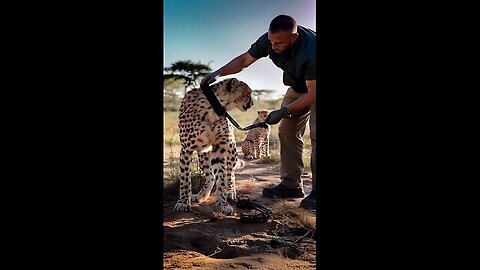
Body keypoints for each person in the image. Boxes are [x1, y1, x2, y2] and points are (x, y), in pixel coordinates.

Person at [201, 15, 316, 209]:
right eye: (271, 41)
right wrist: (217, 73)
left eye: (278, 43)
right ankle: (290, 185)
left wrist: (284, 110)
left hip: (315, 87)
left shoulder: (312, 50)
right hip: (298, 85)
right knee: (286, 131)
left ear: (294, 38)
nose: (273, 47)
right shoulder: (270, 40)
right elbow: (245, 60)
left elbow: (313, 93)